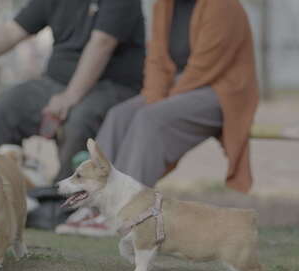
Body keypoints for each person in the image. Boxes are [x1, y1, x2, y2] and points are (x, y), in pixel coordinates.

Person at [56, 0, 259, 236]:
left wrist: (161, 102)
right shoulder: (163, 5)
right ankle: (96, 205)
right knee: (120, 115)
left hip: (221, 90)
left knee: (149, 119)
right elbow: (157, 60)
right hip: (178, 87)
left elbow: (205, 68)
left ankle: (126, 212)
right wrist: (154, 96)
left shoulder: (223, 6)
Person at [0, 0, 145, 182]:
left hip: (113, 87)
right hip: (56, 82)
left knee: (80, 119)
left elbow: (103, 43)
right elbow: (12, 31)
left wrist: (70, 96)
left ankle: (61, 203)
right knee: (4, 107)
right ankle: (2, 192)